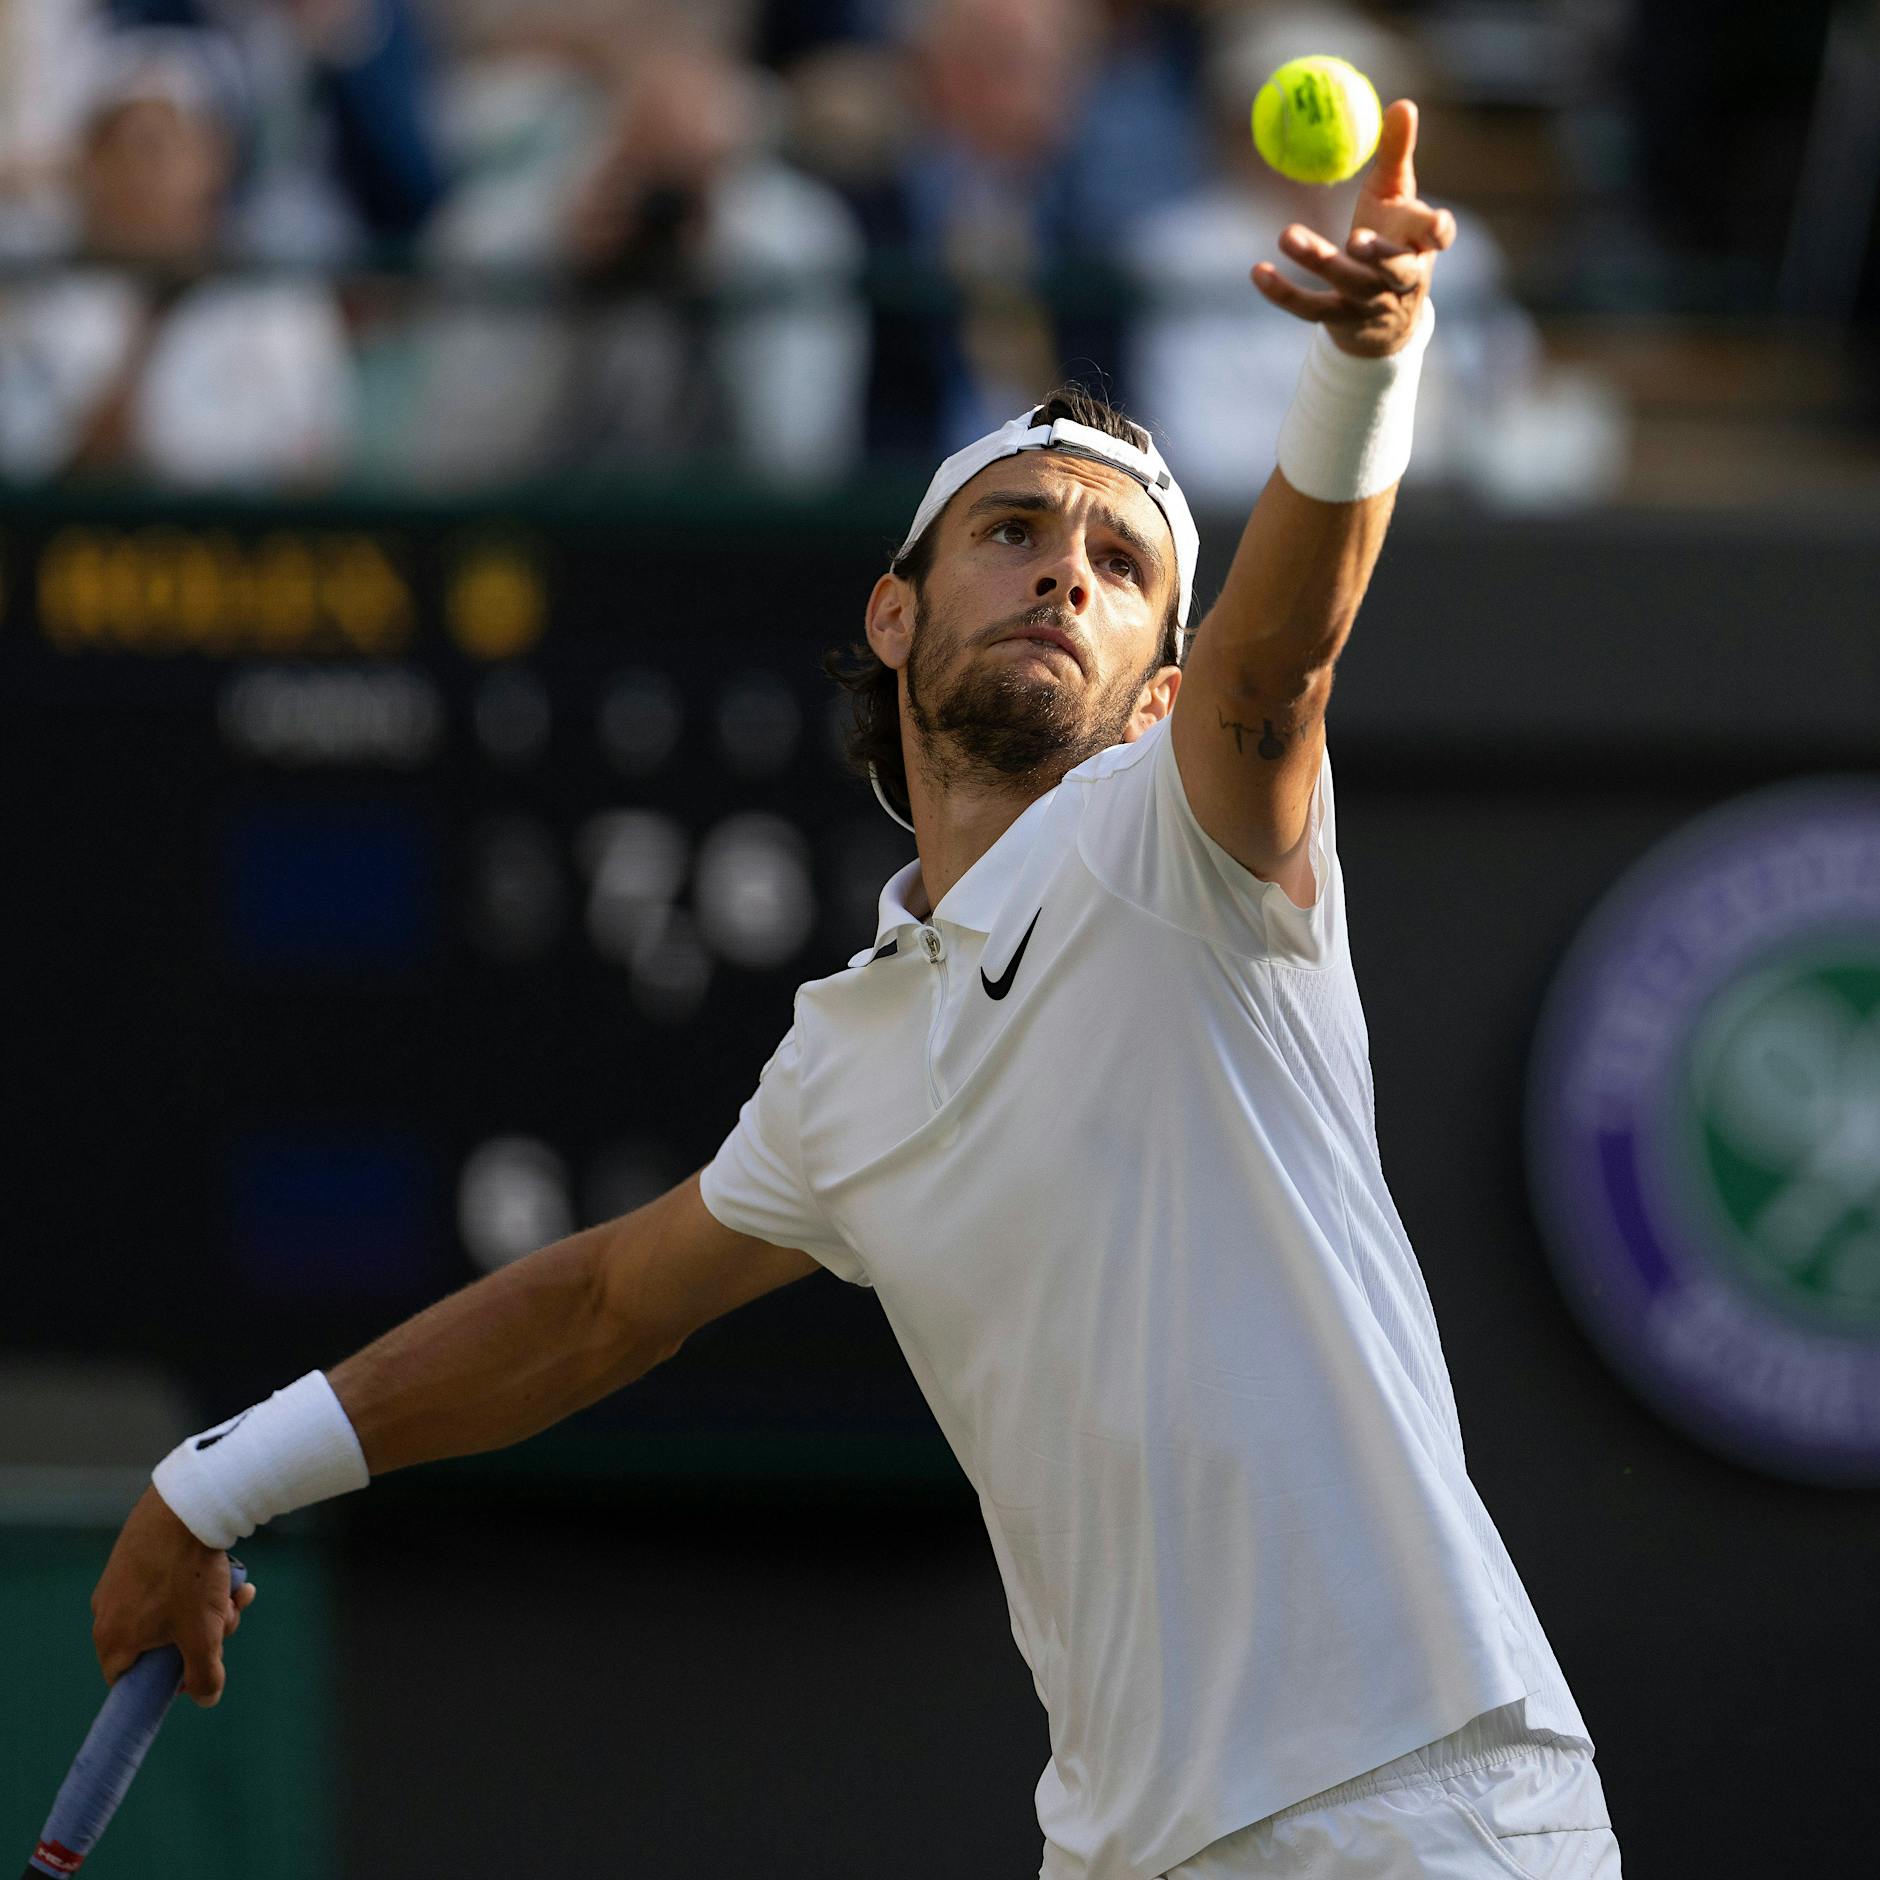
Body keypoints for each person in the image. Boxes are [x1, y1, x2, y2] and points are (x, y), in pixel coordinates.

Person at [90, 103, 1622, 1879]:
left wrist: (1366, 368)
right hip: (1133, 1845)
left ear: (1152, 694)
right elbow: (597, 1306)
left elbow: (1275, 675)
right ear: (893, 615)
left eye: (1124, 567)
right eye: (1016, 529)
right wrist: (218, 1483)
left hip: (1416, 1799)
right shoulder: (845, 1066)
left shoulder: (1179, 836)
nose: (1066, 566)